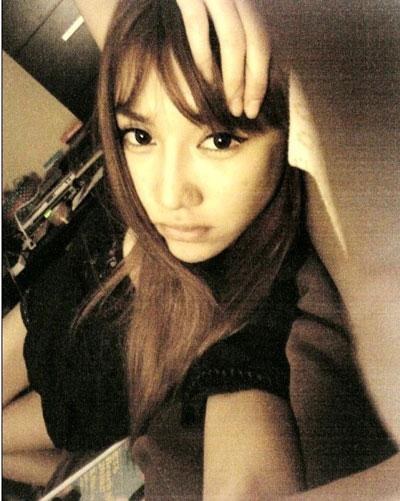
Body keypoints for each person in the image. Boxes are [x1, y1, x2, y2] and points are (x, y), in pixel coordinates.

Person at [3, 1, 397, 499]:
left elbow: (248, 479)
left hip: (94, 382)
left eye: (220, 140)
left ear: (290, 134)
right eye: (140, 135)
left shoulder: (247, 287)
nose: (168, 196)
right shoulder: (142, 71)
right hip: (67, 295)